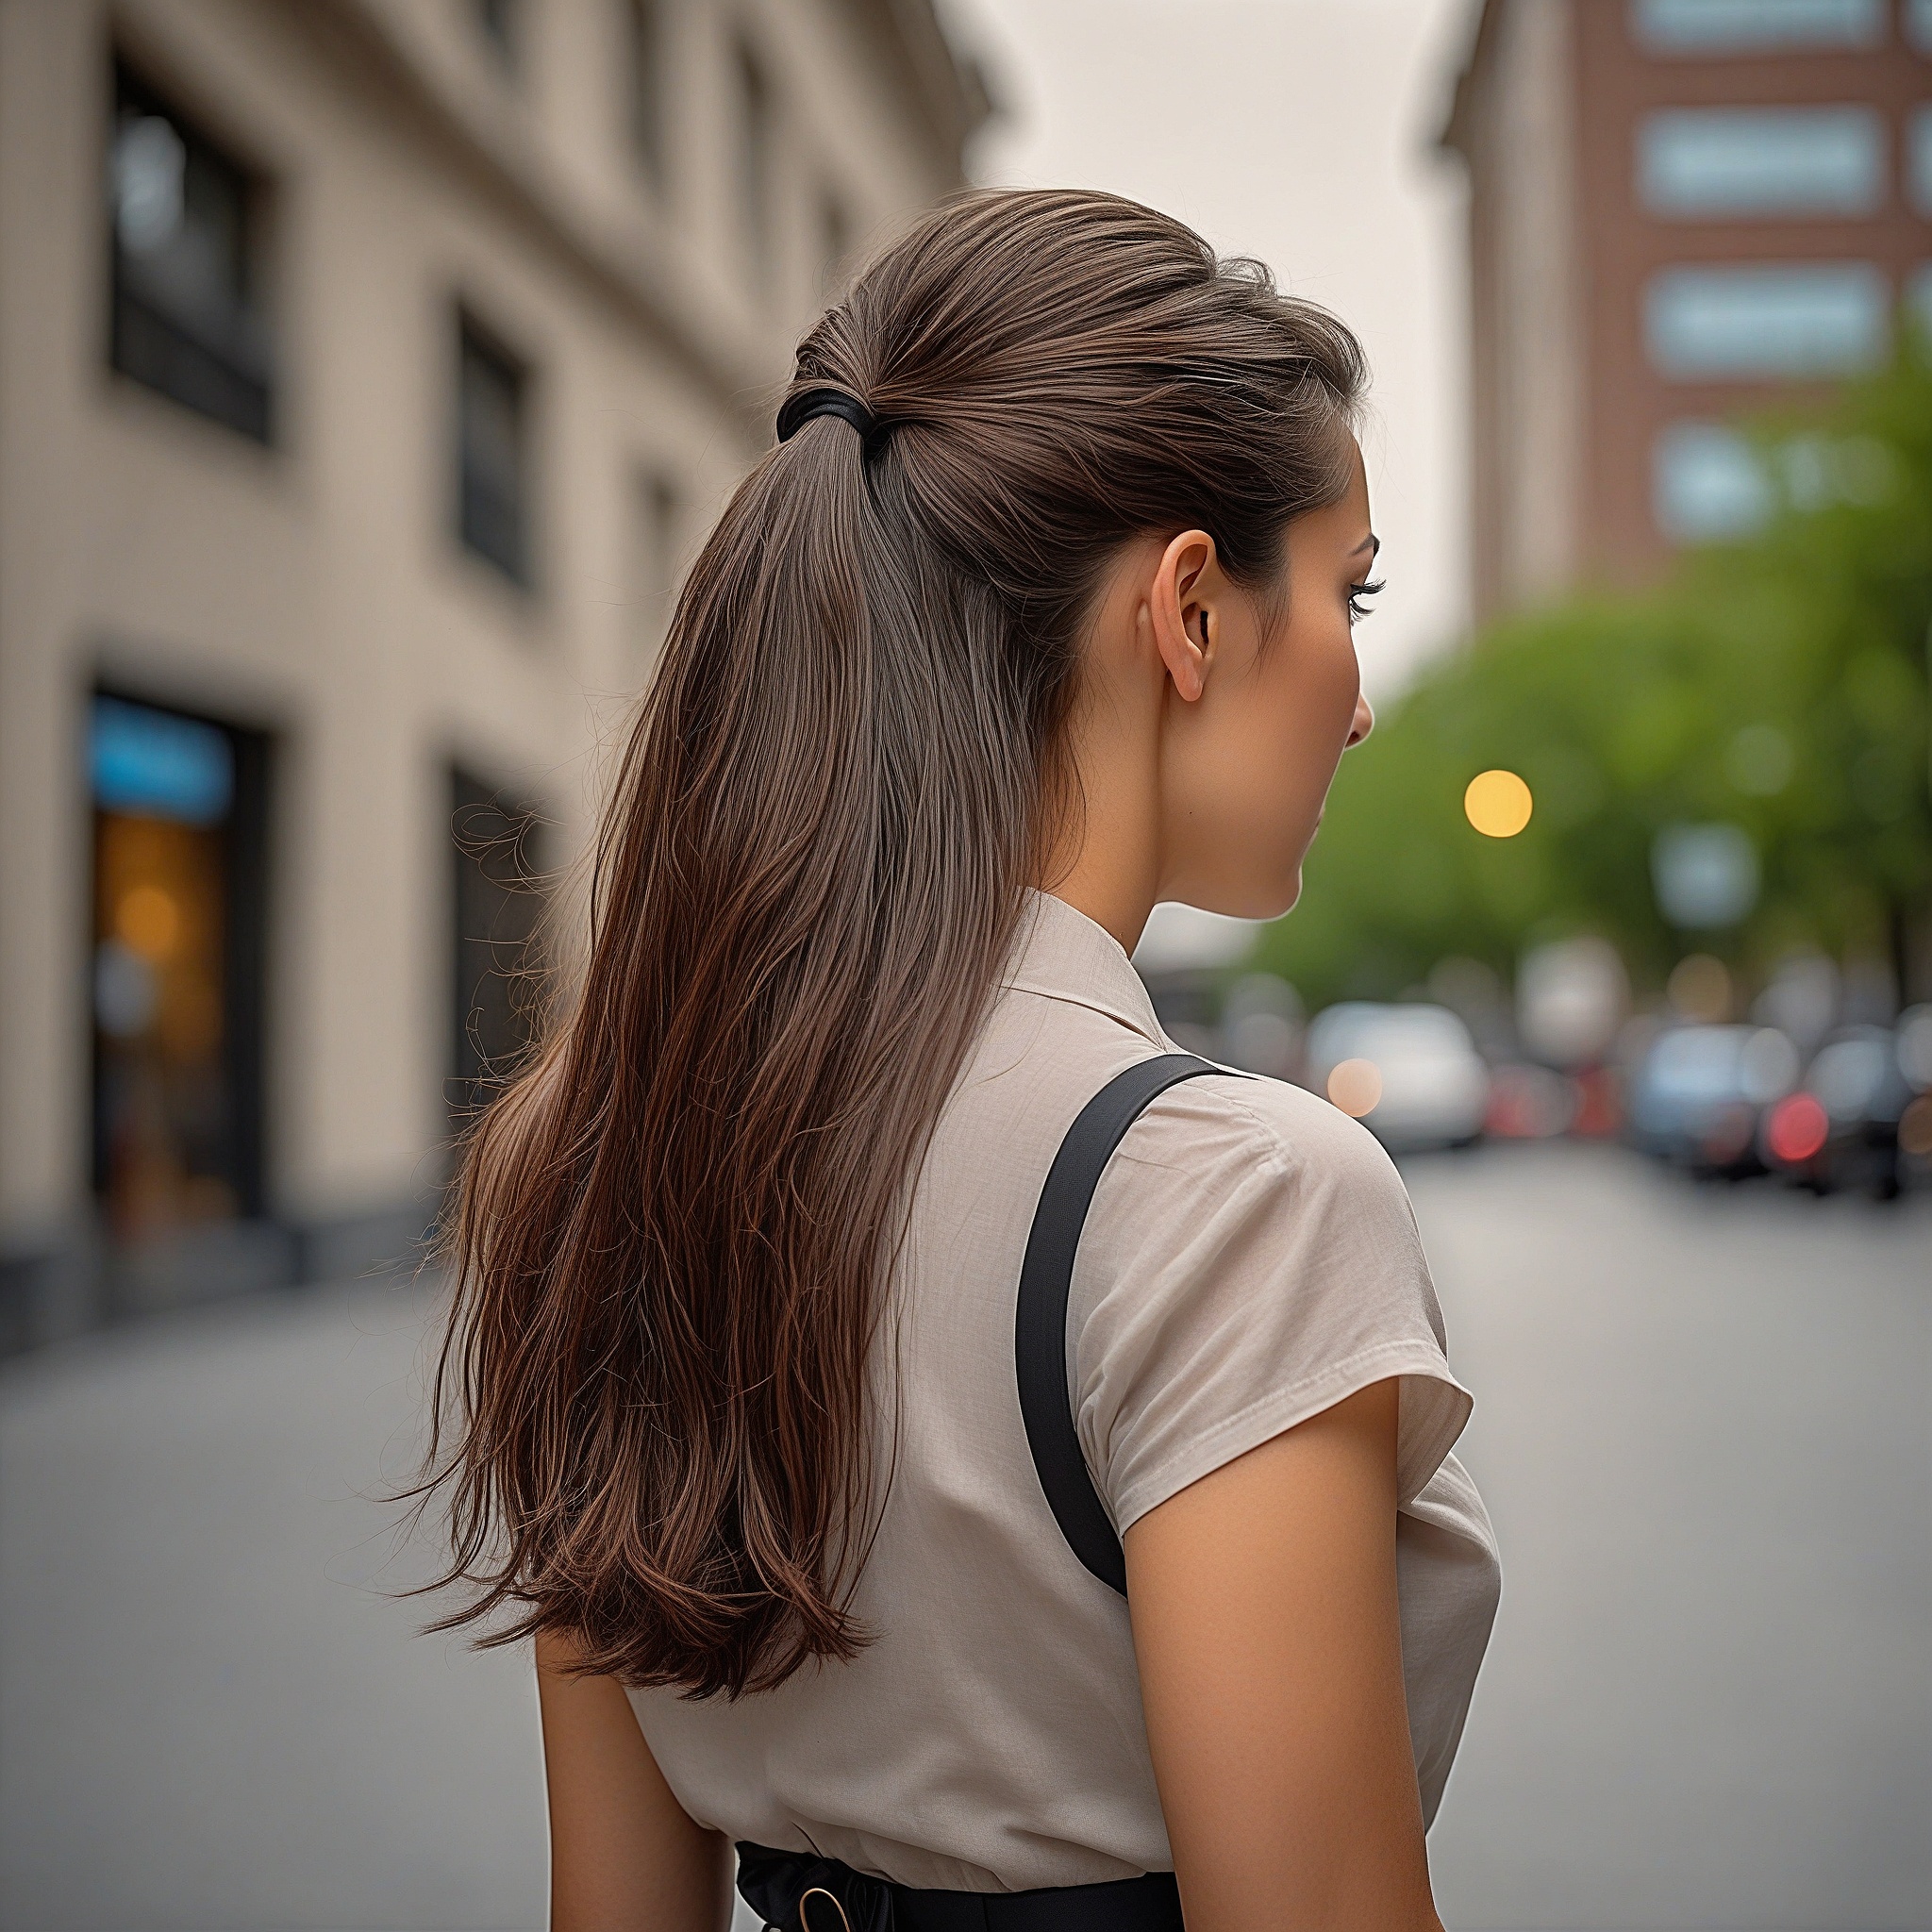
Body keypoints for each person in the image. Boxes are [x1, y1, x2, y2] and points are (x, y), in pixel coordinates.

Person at [425, 189, 1500, 1932]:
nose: (1363, 695)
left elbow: (613, 1913)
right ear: (1192, 613)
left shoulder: (590, 1153)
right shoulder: (1228, 1194)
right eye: (1348, 591)